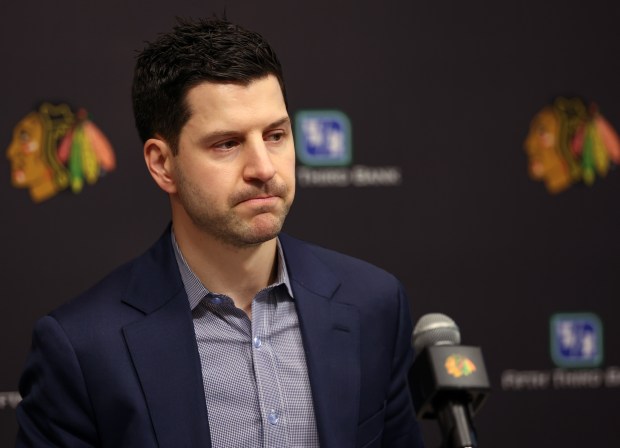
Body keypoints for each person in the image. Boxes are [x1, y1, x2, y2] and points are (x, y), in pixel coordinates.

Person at [16, 18, 424, 448]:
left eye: (276, 135)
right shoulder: (82, 348)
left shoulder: (374, 305)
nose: (263, 167)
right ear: (161, 163)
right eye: (227, 143)